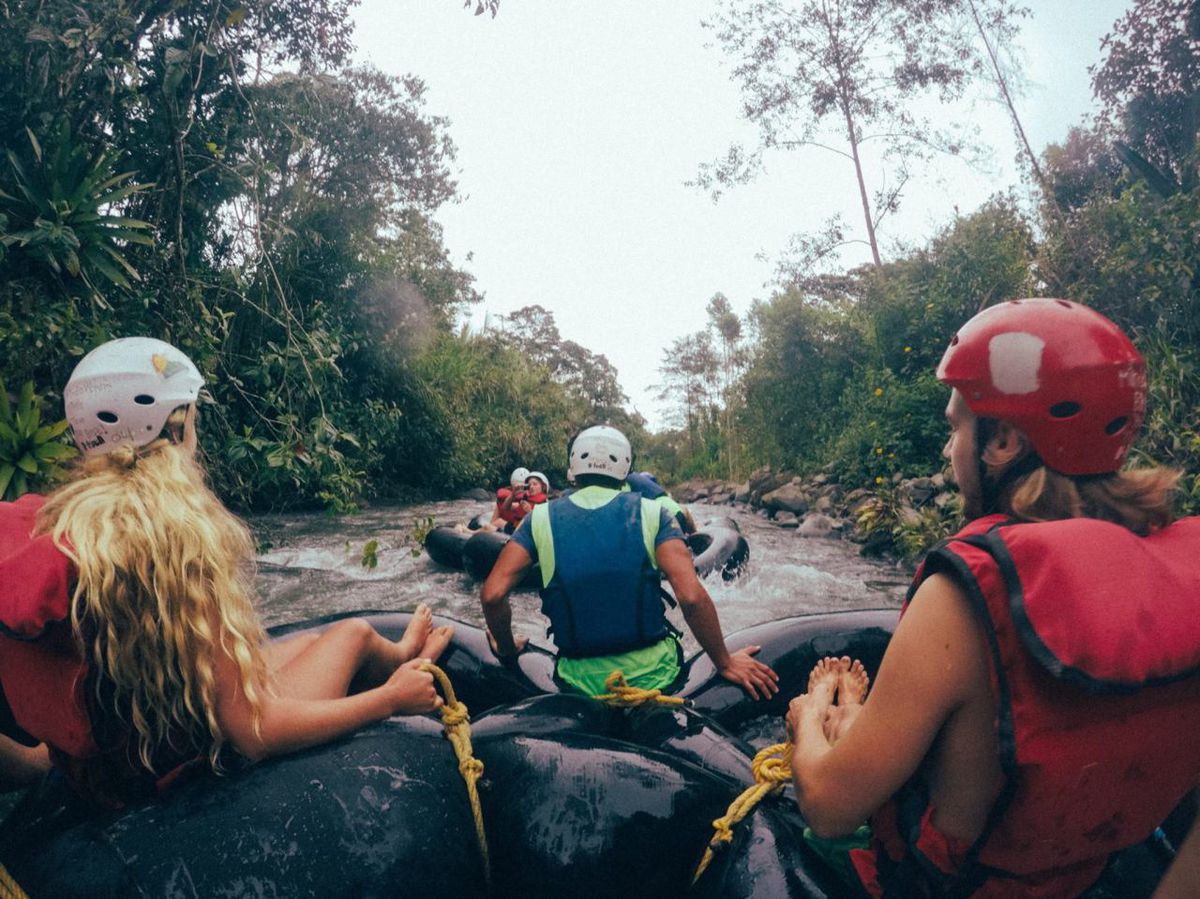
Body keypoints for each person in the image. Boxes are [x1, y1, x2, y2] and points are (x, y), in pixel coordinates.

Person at [784, 299, 1200, 897]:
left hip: (951, 886)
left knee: (813, 791)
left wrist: (803, 727)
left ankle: (832, 716)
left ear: (1002, 440)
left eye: (956, 427)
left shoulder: (961, 597)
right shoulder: (1179, 576)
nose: (949, 450)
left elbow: (827, 808)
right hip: (1090, 873)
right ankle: (852, 719)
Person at [0, 337, 454, 808]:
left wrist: (42, 762)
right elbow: (255, 735)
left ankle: (393, 656)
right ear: (174, 430)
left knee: (300, 644)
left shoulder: (64, 527)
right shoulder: (173, 538)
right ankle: (398, 658)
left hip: (110, 763)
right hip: (171, 767)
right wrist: (392, 702)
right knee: (353, 634)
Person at [480, 424, 778, 699]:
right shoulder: (653, 513)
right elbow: (690, 597)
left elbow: (492, 595)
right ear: (625, 467)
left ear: (573, 467)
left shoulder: (539, 518)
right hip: (657, 678)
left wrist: (506, 649)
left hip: (577, 682)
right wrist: (724, 662)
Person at [625, 470, 697, 534]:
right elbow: (685, 512)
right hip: (680, 514)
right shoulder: (663, 495)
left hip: (665, 519)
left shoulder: (643, 496)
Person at [487, 466, 545, 533]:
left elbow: (542, 524)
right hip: (516, 528)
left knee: (493, 525)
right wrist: (513, 495)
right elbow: (505, 507)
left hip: (523, 533)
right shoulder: (525, 500)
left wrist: (529, 511)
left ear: (543, 487)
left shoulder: (544, 504)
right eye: (529, 485)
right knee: (497, 522)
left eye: (535, 484)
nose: (531, 487)